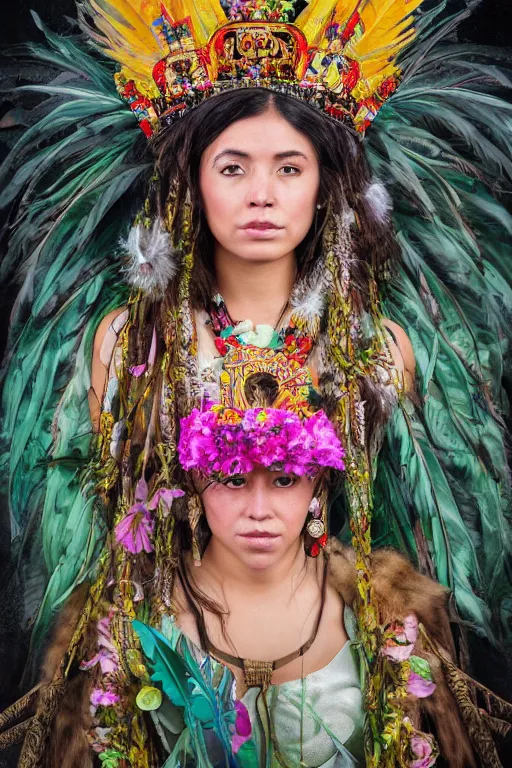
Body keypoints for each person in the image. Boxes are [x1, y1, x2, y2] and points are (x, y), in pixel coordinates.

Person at [0, 1, 511, 766]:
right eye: (233, 167)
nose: (261, 194)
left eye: (289, 168)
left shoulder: (380, 348)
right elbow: (90, 512)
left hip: (336, 654)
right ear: (191, 183)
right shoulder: (129, 342)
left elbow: (400, 521)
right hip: (164, 652)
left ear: (323, 186)